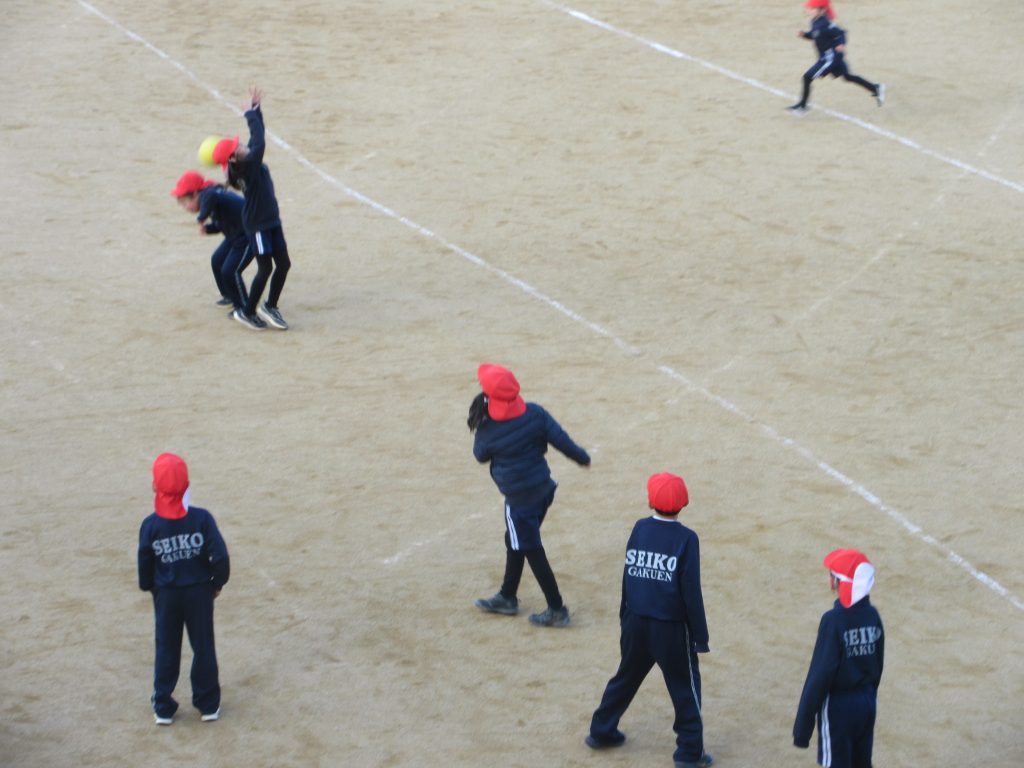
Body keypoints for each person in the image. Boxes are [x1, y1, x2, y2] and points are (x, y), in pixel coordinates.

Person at [586, 472, 713, 768]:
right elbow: (691, 591)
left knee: (625, 677)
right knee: (685, 688)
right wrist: (700, 636)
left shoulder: (640, 528)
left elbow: (628, 574)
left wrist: (624, 614)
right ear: (684, 503)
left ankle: (601, 730)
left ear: (649, 501)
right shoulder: (687, 539)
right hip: (670, 629)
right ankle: (689, 752)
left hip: (635, 620)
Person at [468, 363, 590, 627]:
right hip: (544, 489)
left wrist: (483, 424)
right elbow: (561, 439)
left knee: (531, 548)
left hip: (519, 500)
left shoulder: (488, 429)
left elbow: (480, 455)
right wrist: (582, 457)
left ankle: (556, 608)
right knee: (515, 540)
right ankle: (507, 596)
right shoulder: (535, 413)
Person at [138, 453, 230, 725]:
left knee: (166, 647)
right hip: (199, 591)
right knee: (203, 646)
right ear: (187, 484)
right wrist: (217, 583)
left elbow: (145, 559)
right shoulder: (202, 519)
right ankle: (208, 703)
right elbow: (220, 556)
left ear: (155, 486)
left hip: (166, 593)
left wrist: (149, 586)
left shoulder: (150, 525)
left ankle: (163, 705)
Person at [793, 549, 884, 768]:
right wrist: (868, 697)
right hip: (867, 702)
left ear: (838, 582)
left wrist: (802, 729)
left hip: (838, 708)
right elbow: (878, 665)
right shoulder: (873, 616)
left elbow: (820, 674)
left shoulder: (833, 621)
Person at [211, 87, 291, 331]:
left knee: (284, 264)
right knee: (265, 268)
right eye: (237, 147)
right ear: (235, 158)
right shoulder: (247, 166)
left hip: (271, 221)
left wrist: (257, 110)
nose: (242, 145)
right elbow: (259, 141)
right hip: (258, 226)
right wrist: (249, 114)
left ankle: (270, 306)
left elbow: (258, 138)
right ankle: (247, 312)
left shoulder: (245, 163)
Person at [170, 170, 252, 315]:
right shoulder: (212, 199)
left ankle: (245, 308)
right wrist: (208, 229)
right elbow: (221, 224)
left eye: (185, 202)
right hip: (235, 234)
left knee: (230, 271)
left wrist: (201, 219)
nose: (185, 208)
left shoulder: (209, 193)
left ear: (195, 194)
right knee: (217, 261)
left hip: (250, 234)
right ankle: (230, 296)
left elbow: (210, 196)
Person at [787, 0, 884, 115]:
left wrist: (841, 44)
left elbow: (841, 33)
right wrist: (805, 35)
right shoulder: (814, 21)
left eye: (812, 9)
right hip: (832, 57)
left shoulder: (825, 23)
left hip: (830, 58)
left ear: (822, 10)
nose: (809, 11)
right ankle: (875, 88)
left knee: (807, 77)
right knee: (847, 77)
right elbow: (816, 35)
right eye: (809, 8)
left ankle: (802, 106)